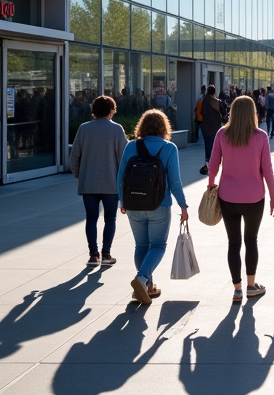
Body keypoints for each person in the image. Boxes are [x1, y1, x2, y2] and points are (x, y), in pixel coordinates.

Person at [207, 95, 274, 302]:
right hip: (254, 197)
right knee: (251, 241)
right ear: (252, 113)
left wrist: (211, 184)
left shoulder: (222, 134)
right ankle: (251, 285)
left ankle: (237, 289)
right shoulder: (261, 136)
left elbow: (213, 164)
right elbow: (268, 171)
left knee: (233, 243)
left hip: (227, 196)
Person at [118, 109, 189, 306]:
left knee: (141, 246)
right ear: (163, 127)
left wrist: (122, 202)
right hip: (159, 204)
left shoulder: (131, 146)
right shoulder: (169, 148)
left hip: (133, 204)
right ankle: (141, 279)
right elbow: (175, 183)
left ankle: (148, 287)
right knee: (157, 245)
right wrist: (183, 206)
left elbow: (120, 177)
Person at [69, 95, 127, 266]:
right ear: (111, 110)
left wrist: (78, 174)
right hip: (111, 182)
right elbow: (124, 157)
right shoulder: (117, 130)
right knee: (110, 219)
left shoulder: (84, 129)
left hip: (89, 182)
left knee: (91, 218)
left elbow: (74, 156)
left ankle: (93, 254)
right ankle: (106, 254)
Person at [198, 85, 227, 175]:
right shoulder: (218, 102)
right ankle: (215, 162)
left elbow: (198, 112)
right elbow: (224, 113)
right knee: (216, 145)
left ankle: (208, 162)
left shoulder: (202, 101)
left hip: (205, 126)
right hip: (216, 126)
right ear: (214, 92)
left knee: (208, 144)